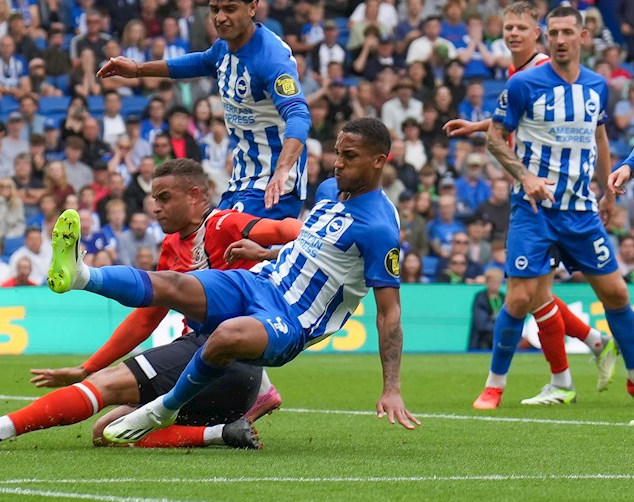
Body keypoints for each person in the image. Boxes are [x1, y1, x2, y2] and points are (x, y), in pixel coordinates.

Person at [46, 118, 417, 442]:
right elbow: (316, 248)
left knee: (227, 334)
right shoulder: (328, 192)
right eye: (337, 153)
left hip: (292, 320)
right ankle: (83, 275)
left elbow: (390, 314)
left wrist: (392, 387)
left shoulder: (380, 228)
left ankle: (164, 409)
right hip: (262, 282)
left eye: (349, 157)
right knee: (174, 283)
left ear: (379, 161)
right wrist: (269, 254)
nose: (337, 164)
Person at [0, 158, 303, 451]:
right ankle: (223, 433)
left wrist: (278, 249)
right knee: (107, 432)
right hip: (219, 378)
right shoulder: (173, 246)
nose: (155, 208)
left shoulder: (224, 223)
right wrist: (86, 367)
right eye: (153, 199)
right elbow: (146, 319)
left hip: (223, 355)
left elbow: (288, 228)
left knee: (106, 386)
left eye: (164, 198)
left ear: (196, 196)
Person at [447, 2, 616, 406]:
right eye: (508, 28)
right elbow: (517, 116)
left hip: (550, 197)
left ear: (537, 33)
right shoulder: (521, 73)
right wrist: (478, 125)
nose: (513, 34)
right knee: (534, 294)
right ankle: (584, 354)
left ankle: (565, 369)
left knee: (528, 294)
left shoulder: (542, 69)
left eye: (522, 27)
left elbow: (589, 129)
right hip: (531, 191)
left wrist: (603, 187)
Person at [96, 0, 310, 219]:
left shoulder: (271, 58)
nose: (220, 18)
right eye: (215, 9)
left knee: (218, 247)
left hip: (274, 187)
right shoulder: (224, 48)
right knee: (200, 247)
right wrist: (138, 70)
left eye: (230, 9)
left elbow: (298, 114)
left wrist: (283, 169)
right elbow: (199, 62)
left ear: (252, 7)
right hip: (242, 180)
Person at [469, 268, 504, 350]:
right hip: (482, 340)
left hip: (499, 338)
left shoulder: (504, 298)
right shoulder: (480, 298)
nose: (495, 285)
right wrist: (501, 327)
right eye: (493, 281)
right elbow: (481, 323)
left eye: (498, 282)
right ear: (487, 282)